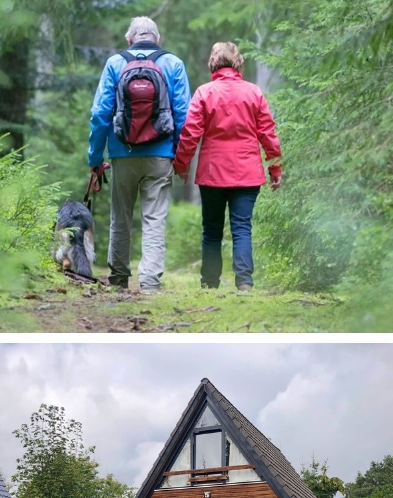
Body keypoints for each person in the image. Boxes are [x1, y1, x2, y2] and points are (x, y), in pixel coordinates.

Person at [89, 16, 191, 293]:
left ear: (129, 39)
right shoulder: (173, 63)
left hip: (123, 152)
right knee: (154, 218)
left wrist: (95, 158)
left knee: (120, 217)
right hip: (161, 154)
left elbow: (100, 114)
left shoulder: (115, 63)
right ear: (157, 39)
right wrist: (181, 159)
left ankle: (119, 277)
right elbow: (184, 117)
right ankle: (149, 282)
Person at [174, 42, 282, 292]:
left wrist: (182, 165)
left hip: (213, 172)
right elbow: (268, 133)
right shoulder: (253, 92)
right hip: (247, 171)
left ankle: (210, 283)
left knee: (211, 230)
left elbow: (190, 134)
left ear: (213, 62)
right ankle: (244, 281)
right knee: (242, 227)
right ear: (237, 62)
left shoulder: (204, 92)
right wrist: (275, 168)